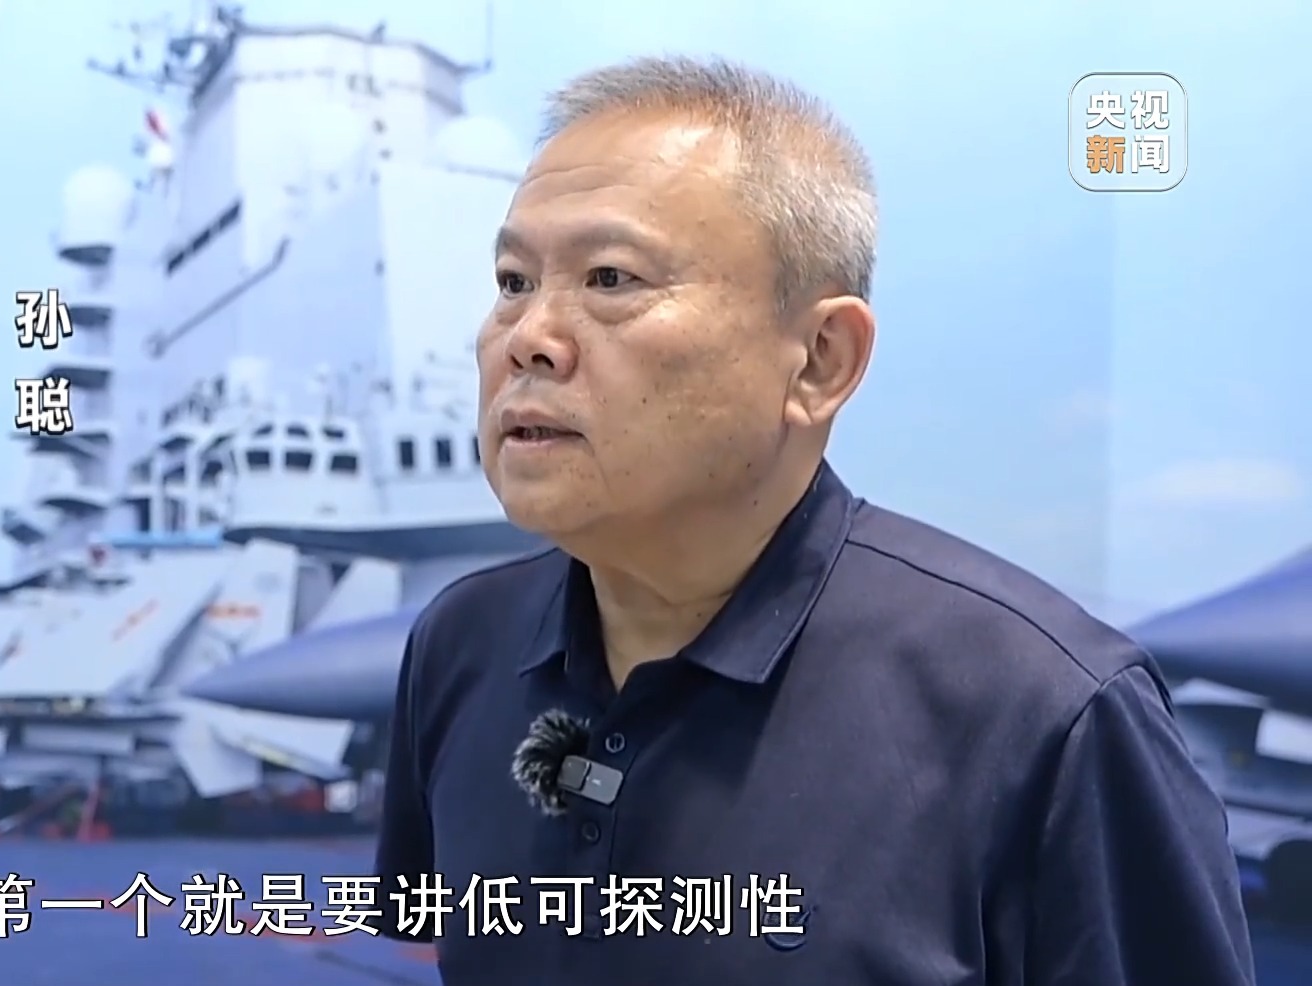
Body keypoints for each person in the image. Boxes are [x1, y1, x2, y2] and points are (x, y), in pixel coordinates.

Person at [375, 55, 1255, 986]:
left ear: (821, 360)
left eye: (610, 278)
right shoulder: (460, 647)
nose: (527, 338)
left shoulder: (1048, 715)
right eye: (513, 280)